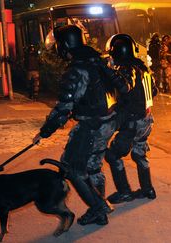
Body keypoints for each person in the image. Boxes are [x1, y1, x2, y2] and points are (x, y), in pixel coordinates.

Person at [32, 25, 131, 225]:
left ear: (65, 44)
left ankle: (99, 206)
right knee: (93, 167)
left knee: (71, 168)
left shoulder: (78, 69)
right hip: (108, 122)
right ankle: (99, 214)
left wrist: (45, 132)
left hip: (91, 127)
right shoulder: (97, 61)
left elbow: (64, 107)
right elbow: (122, 87)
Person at [104, 34, 158, 204]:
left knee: (113, 156)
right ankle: (148, 189)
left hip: (133, 122)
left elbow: (125, 87)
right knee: (139, 155)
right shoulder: (143, 68)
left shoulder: (128, 70)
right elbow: (154, 91)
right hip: (146, 120)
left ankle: (124, 191)